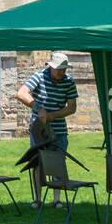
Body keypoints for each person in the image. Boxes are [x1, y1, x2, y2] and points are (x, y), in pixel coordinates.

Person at [16, 51, 78, 207]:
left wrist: (52, 115)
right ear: (51, 67)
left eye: (64, 70)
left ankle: (57, 200)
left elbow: (71, 108)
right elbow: (21, 93)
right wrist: (38, 107)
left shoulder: (69, 81)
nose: (61, 73)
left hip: (59, 131)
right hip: (39, 131)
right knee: (37, 163)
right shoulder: (38, 76)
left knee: (57, 163)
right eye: (59, 70)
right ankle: (37, 199)